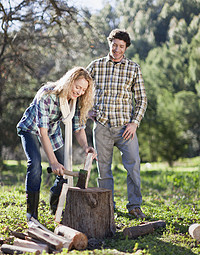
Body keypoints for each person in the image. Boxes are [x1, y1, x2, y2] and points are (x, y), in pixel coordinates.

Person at [17, 67, 96, 221]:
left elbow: (78, 128)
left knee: (65, 170)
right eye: (77, 87)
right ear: (69, 81)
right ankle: (31, 214)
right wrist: (53, 162)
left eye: (83, 89)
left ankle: (55, 208)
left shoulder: (77, 100)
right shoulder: (47, 94)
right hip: (31, 128)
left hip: (52, 131)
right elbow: (42, 132)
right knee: (35, 165)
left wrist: (86, 147)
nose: (79, 91)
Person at [87, 29, 147, 219]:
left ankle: (134, 205)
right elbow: (81, 88)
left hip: (125, 128)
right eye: (114, 45)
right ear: (109, 43)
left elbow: (142, 99)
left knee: (133, 166)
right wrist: (87, 109)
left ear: (126, 48)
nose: (117, 49)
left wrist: (134, 123)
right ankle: (107, 207)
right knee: (104, 169)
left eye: (121, 46)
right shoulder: (96, 66)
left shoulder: (133, 68)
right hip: (102, 126)